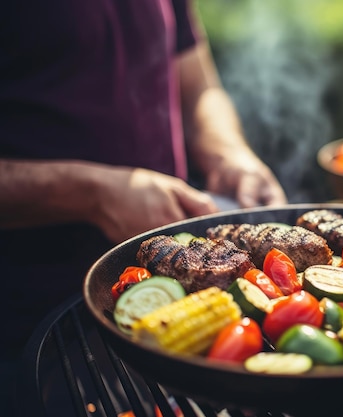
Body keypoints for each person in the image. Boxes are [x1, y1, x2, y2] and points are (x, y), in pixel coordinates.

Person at [0, 1, 287, 412]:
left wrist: (228, 152)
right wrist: (91, 193)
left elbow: (197, 85)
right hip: (26, 331)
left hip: (167, 316)